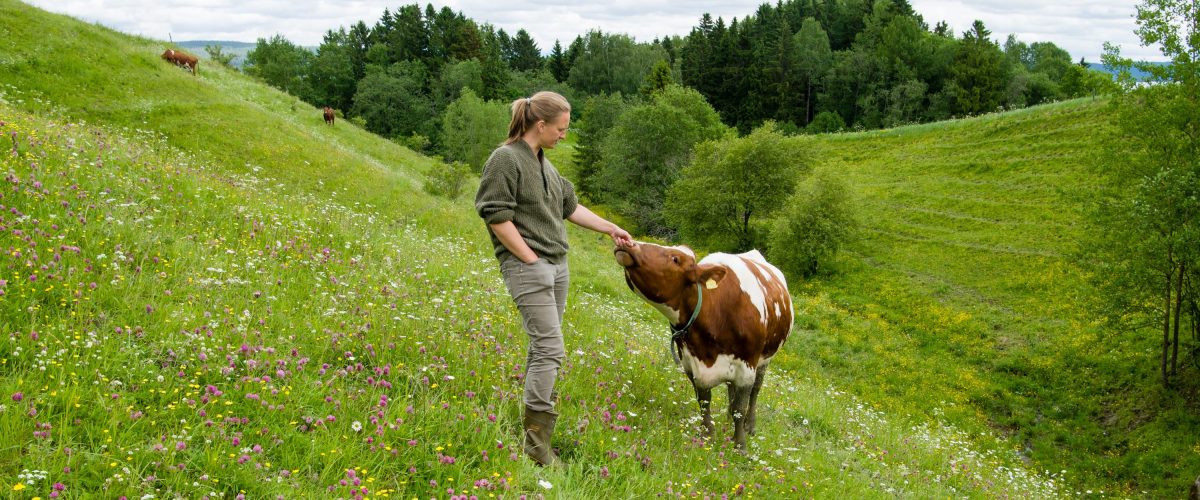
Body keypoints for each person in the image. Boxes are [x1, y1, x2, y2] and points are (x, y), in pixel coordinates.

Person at [475, 91, 633, 466]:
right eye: (560, 128)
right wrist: (530, 261)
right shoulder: (505, 159)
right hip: (529, 267)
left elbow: (570, 207)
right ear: (540, 124)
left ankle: (533, 435)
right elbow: (495, 215)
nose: (564, 135)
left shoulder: (545, 164)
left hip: (557, 267)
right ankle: (536, 446)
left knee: (542, 348)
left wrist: (610, 227)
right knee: (551, 349)